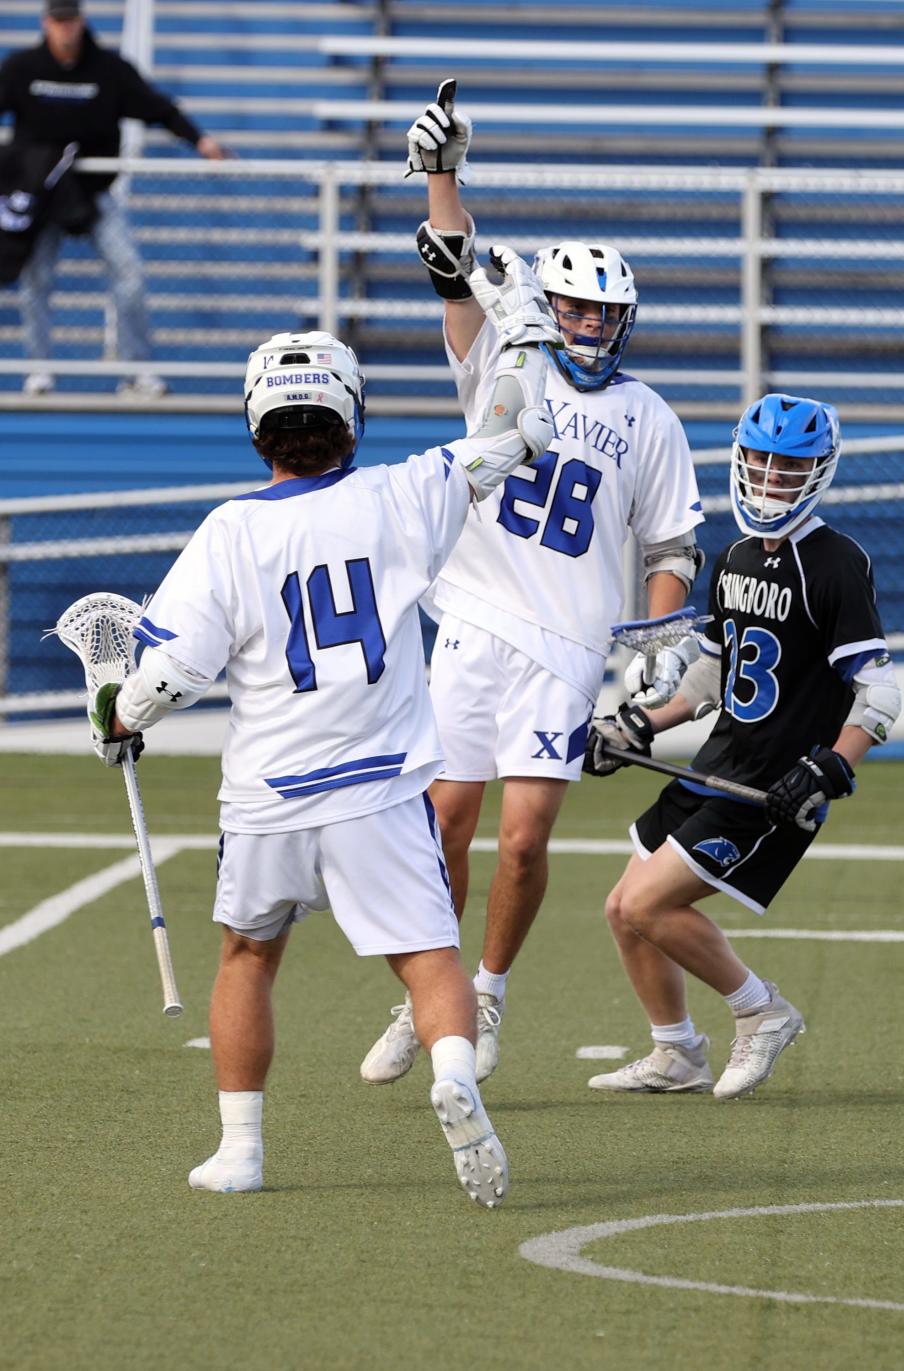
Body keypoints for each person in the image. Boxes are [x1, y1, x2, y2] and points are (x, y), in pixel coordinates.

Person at [86, 248, 562, 1206]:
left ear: (258, 423)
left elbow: (170, 674)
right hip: (383, 789)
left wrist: (116, 714)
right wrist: (524, 323)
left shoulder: (229, 531)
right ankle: (455, 1078)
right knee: (428, 955)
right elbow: (513, 430)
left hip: (268, 795)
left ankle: (243, 1151)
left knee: (248, 957)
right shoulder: (404, 491)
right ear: (349, 415)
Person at [360, 83, 705, 1088]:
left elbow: (669, 548)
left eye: (607, 310)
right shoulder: (506, 360)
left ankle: (492, 994)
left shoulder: (650, 418)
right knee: (444, 824)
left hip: (565, 644)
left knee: (522, 842)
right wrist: (440, 174)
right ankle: (432, 993)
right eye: (578, 305)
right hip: (471, 616)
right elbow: (456, 265)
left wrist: (654, 647)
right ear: (550, 306)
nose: (592, 323)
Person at [583, 393, 901, 1100]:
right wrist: (645, 723)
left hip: (771, 786)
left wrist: (831, 765)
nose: (769, 477)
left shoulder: (836, 562)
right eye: (758, 460)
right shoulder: (732, 558)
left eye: (788, 465)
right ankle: (677, 1054)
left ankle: (762, 1010)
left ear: (818, 470)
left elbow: (880, 694)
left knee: (647, 907)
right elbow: (713, 669)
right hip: (717, 765)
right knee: (621, 910)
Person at [0, 0, 228, 398]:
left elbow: (158, 107)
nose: (65, 29)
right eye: (58, 21)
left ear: (81, 23)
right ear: (46, 24)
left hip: (95, 193)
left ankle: (136, 368)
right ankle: (38, 368)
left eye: (71, 21)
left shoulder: (108, 69)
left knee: (130, 274)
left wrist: (200, 140)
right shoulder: (22, 68)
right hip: (44, 195)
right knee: (37, 279)